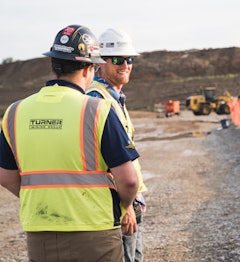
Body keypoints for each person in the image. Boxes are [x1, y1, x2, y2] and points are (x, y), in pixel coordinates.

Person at [0, 25, 139, 261]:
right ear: (89, 68)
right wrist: (123, 208)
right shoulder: (97, 110)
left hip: (40, 232)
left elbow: (5, 176)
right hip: (95, 231)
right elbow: (129, 180)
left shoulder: (15, 112)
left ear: (54, 64)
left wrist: (42, 198)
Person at [86, 28, 147, 262]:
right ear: (101, 62)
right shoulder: (98, 99)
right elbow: (105, 161)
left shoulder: (114, 98)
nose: (125, 65)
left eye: (129, 59)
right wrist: (126, 206)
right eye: (118, 60)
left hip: (128, 200)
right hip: (118, 204)